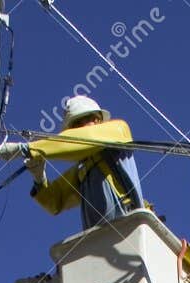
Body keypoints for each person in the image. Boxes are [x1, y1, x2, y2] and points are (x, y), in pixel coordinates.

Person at [27, 94, 145, 230]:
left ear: (96, 120)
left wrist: (30, 148)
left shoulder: (119, 130)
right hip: (98, 239)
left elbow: (86, 138)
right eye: (74, 128)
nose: (77, 131)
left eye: (79, 123)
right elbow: (55, 201)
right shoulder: (82, 170)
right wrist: (39, 179)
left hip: (130, 223)